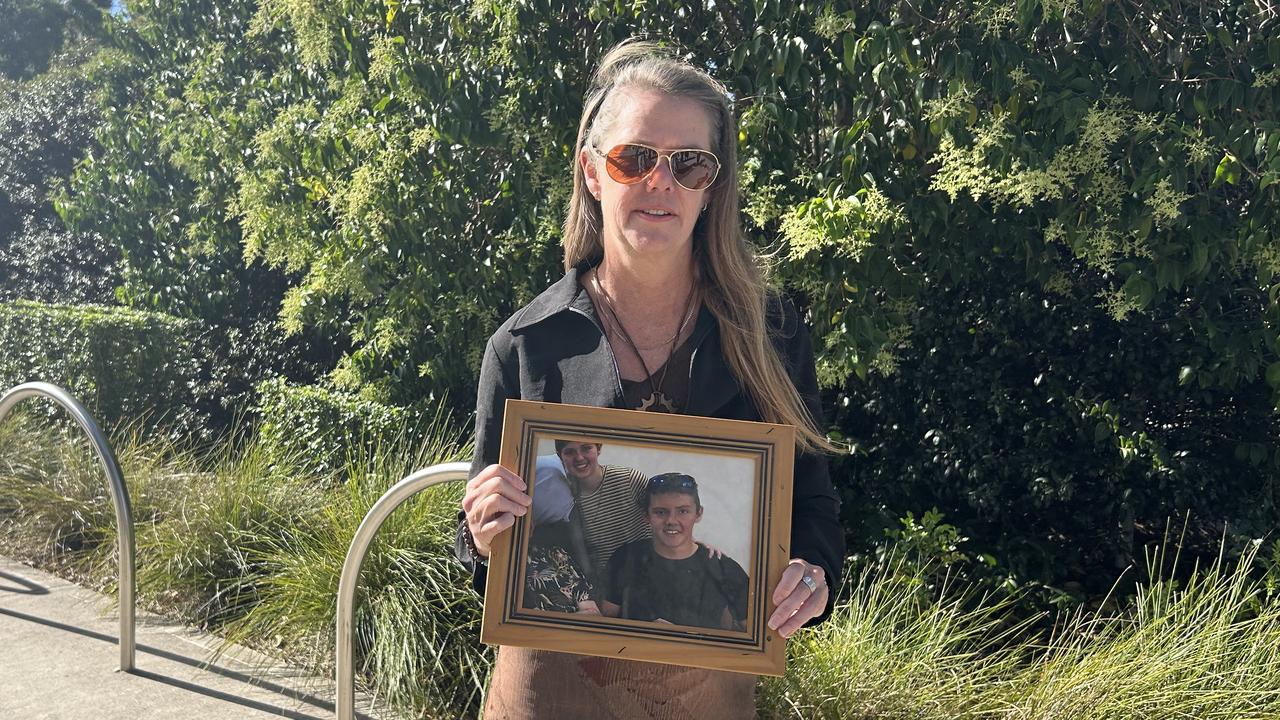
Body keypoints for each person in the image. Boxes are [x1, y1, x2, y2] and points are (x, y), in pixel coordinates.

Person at [458, 39, 845, 719]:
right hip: (550, 695)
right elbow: (479, 550)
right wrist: (481, 533)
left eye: (688, 163)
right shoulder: (522, 345)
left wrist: (812, 576)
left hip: (707, 696)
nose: (659, 182)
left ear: (711, 185)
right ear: (592, 172)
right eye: (633, 158)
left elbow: (813, 511)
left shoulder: (772, 335)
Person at [603, 473, 748, 631]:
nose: (671, 521)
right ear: (647, 516)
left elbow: (758, 637)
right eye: (661, 512)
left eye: (683, 511)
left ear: (698, 513)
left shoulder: (725, 568)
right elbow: (604, 624)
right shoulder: (625, 558)